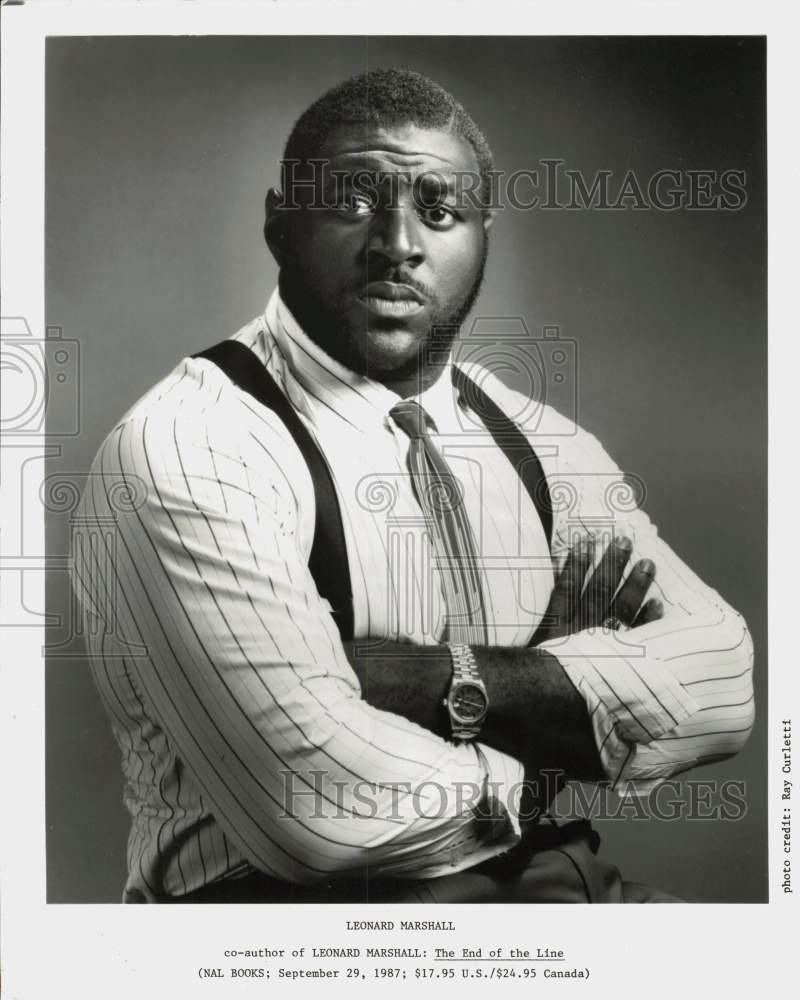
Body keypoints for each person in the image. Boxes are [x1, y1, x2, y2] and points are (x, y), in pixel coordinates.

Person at [70, 68, 754, 903]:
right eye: (355, 199)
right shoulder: (191, 444)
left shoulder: (536, 441)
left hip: (568, 891)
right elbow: (319, 809)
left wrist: (438, 679)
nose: (398, 243)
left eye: (439, 210)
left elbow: (722, 684)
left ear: (483, 234)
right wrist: (560, 723)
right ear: (279, 224)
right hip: (298, 934)